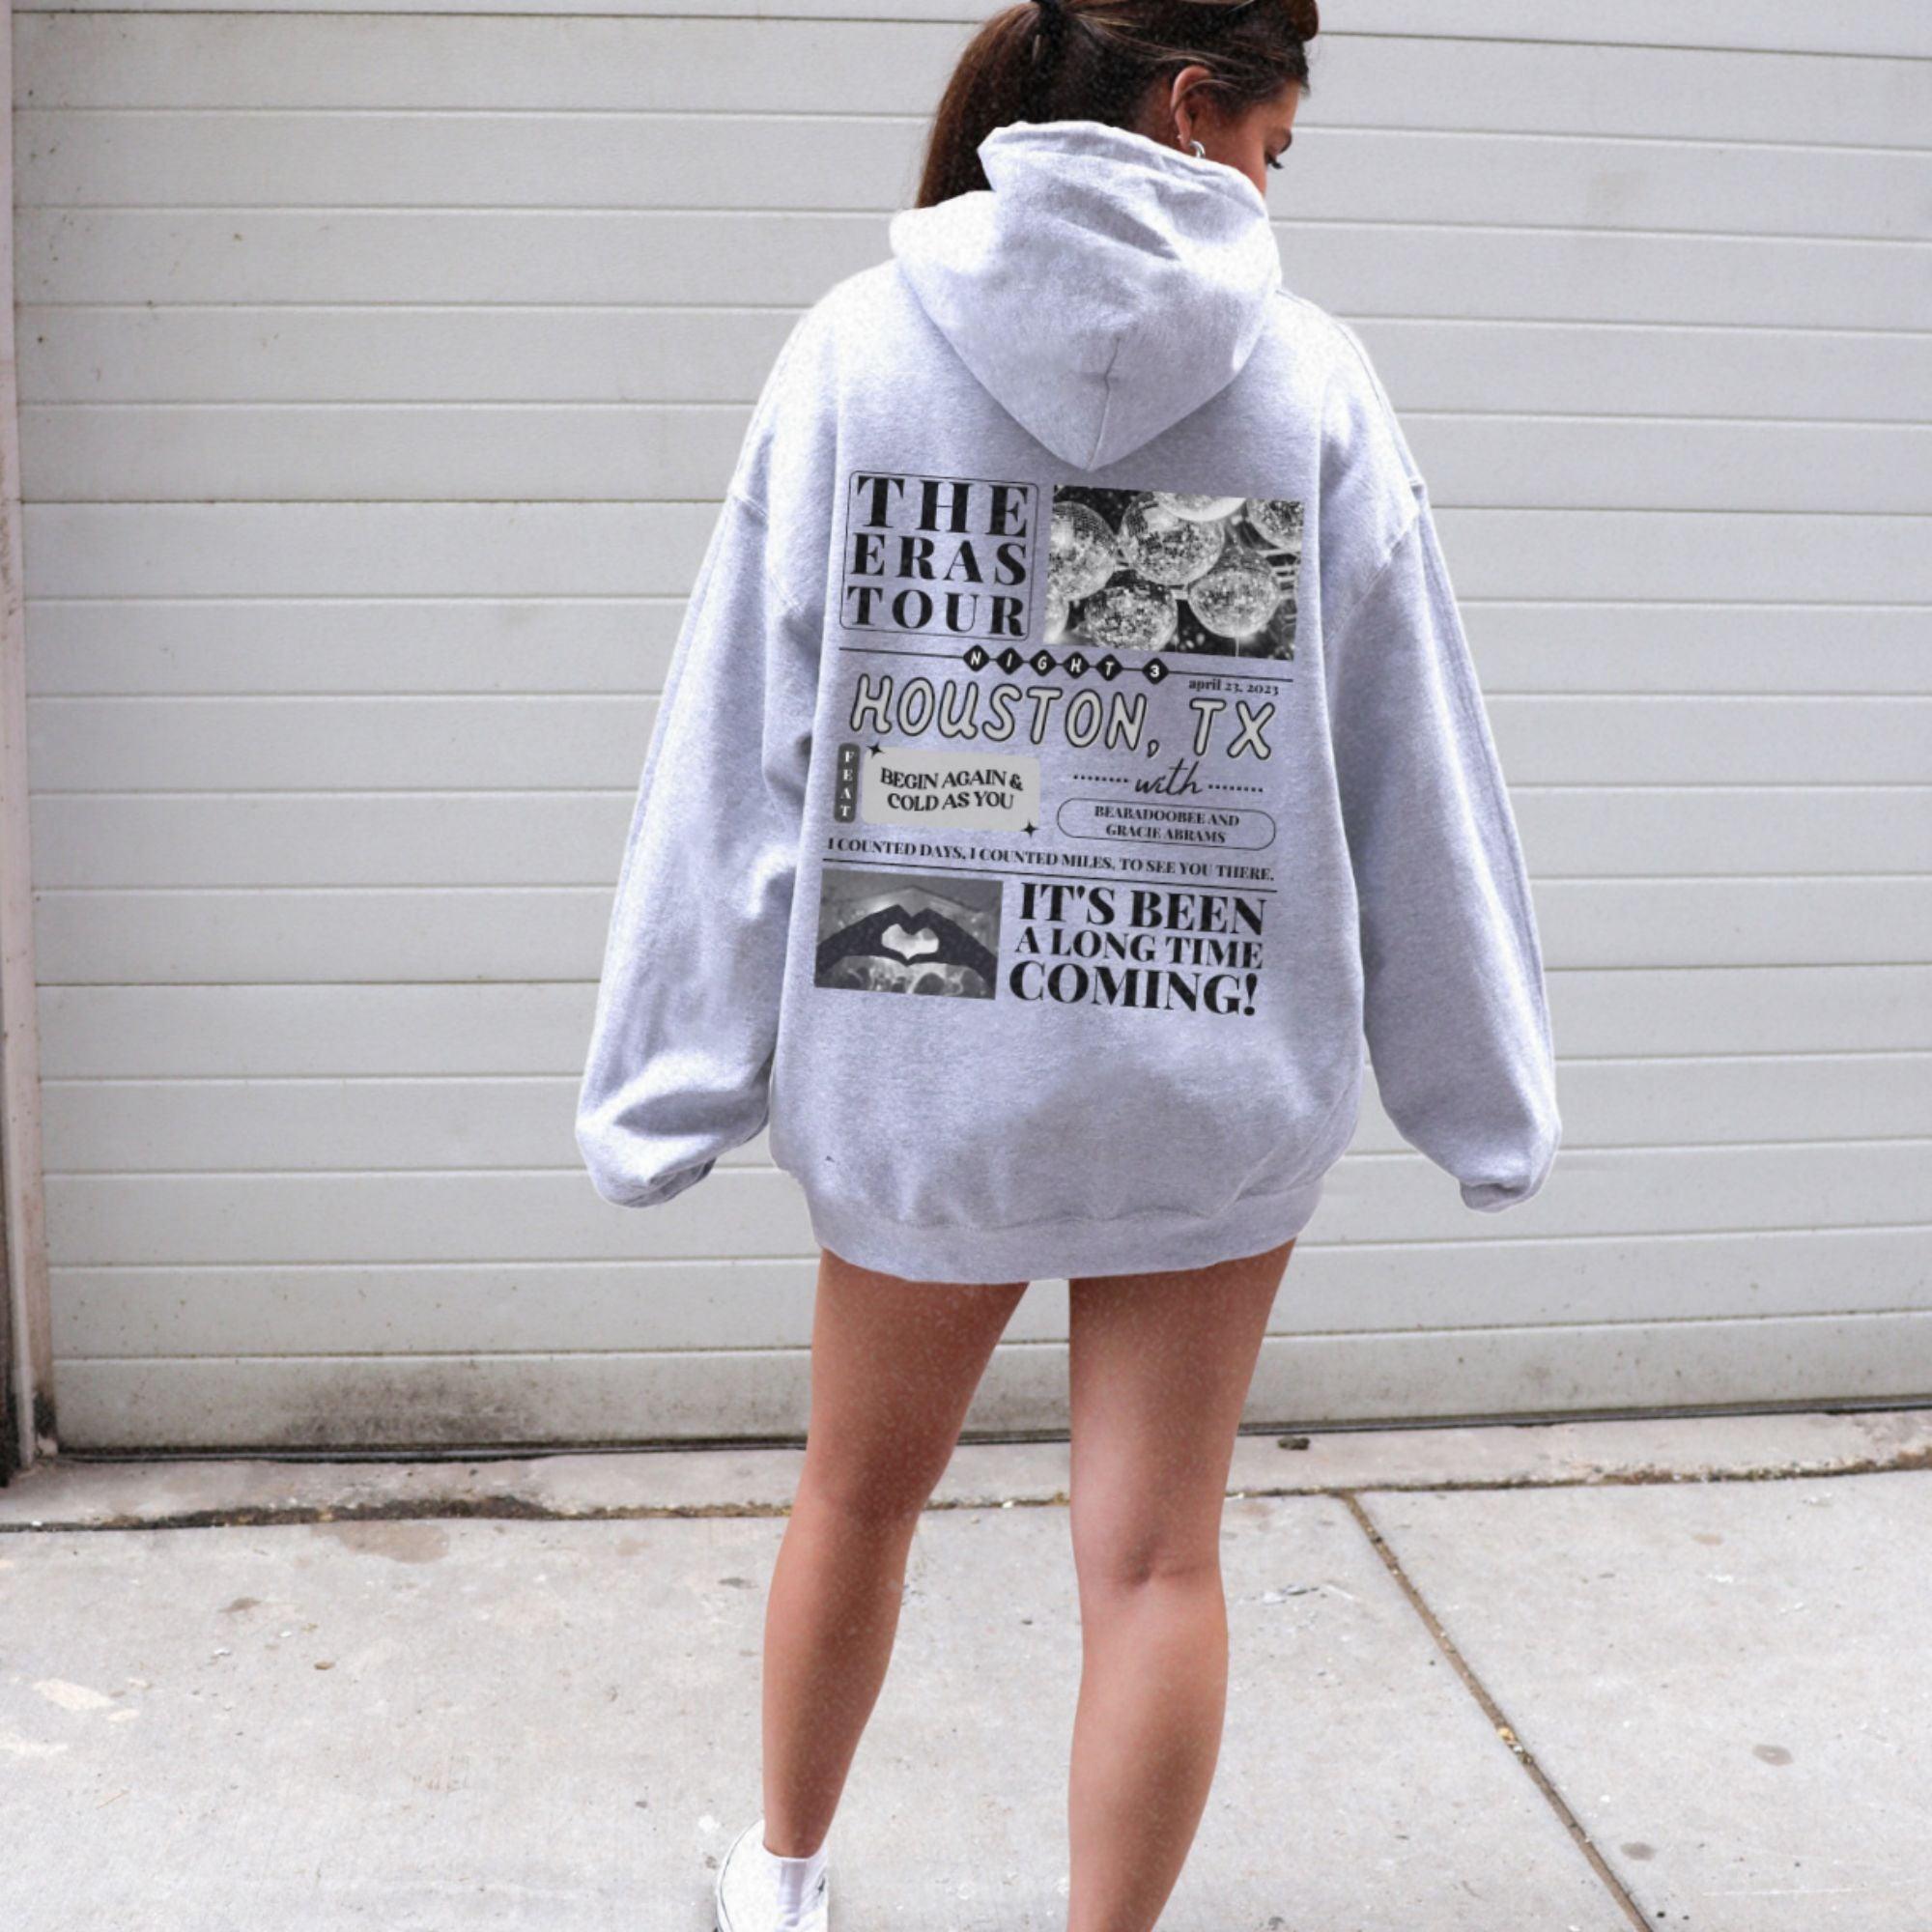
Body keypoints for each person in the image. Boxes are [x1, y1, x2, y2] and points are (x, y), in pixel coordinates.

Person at [575, 0, 1561, 1924]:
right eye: (1276, 143)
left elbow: (737, 746)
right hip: (1203, 1054)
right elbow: (1409, 761)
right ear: (1197, 109)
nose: (1274, 182)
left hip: (920, 1038)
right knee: (1156, 1565)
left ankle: (779, 1884)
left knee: (854, 1497)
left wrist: (666, 1082)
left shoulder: (856, 349)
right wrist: (1478, 1090)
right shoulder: (1312, 383)